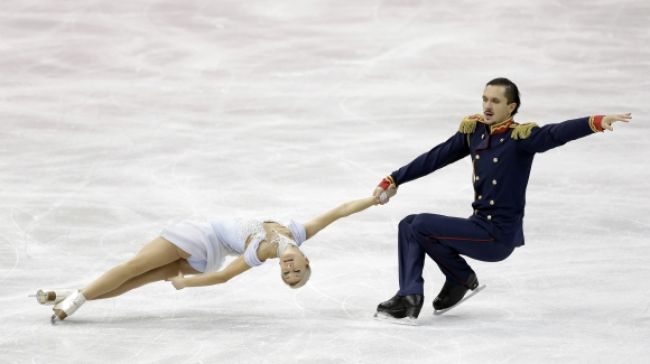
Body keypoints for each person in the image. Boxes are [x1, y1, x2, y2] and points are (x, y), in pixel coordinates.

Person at [373, 77, 632, 321]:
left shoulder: (521, 138)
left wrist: (594, 121)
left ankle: (417, 295)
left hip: (497, 236)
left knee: (419, 225)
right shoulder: (475, 132)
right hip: (478, 225)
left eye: (495, 101)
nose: (487, 105)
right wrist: (395, 179)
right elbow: (436, 157)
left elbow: (556, 133)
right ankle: (453, 279)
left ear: (511, 107)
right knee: (409, 225)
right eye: (485, 99)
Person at [38, 195, 385, 323]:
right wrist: (375, 199)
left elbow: (223, 279)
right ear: (307, 263)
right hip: (209, 255)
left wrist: (184, 282)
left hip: (199, 238)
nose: (289, 270)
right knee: (135, 280)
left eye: (287, 276)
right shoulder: (298, 231)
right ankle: (69, 292)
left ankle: (75, 302)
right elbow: (340, 211)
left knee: (132, 268)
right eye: (295, 272)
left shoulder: (262, 251)